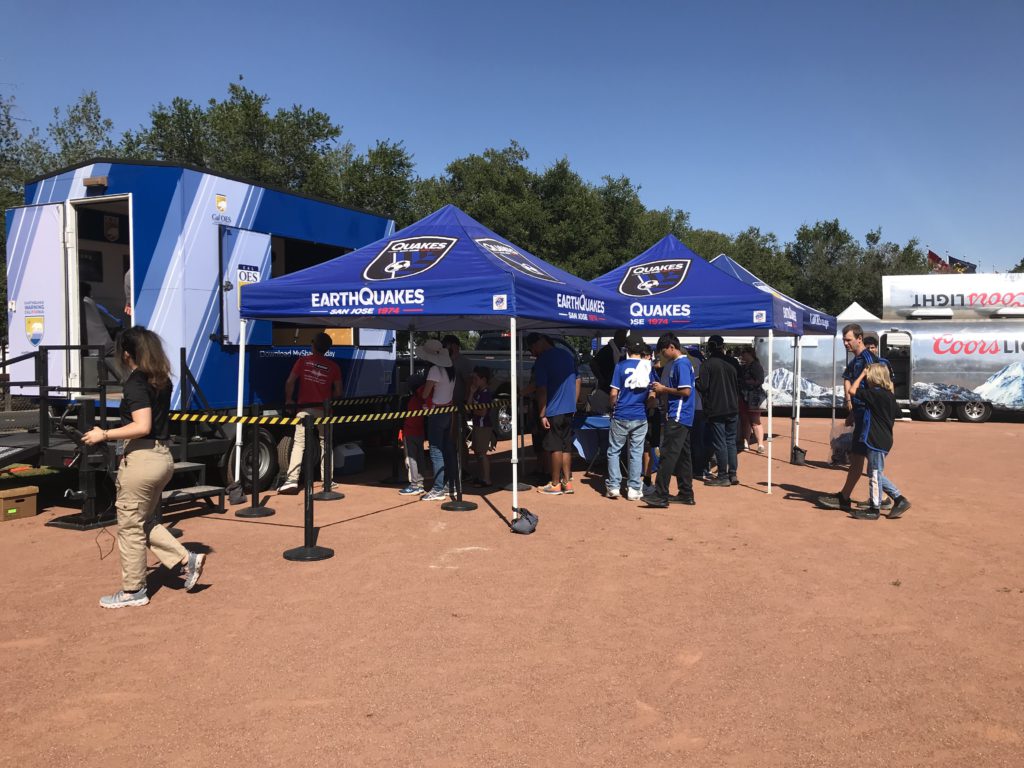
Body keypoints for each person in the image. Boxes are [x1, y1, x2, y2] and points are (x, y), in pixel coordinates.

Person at [82, 326, 206, 608]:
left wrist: (104, 434)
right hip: (162, 457)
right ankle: (187, 559)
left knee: (129, 526)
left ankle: (133, 590)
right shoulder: (162, 379)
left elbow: (142, 426)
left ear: (126, 354)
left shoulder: (136, 383)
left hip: (142, 459)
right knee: (144, 521)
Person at [819, 324, 877, 511]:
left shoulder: (869, 359)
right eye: (844, 340)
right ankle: (846, 496)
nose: (845, 343)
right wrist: (851, 407)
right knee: (859, 457)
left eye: (848, 340)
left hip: (868, 416)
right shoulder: (856, 359)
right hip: (860, 414)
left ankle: (893, 495)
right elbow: (847, 377)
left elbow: (875, 388)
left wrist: (859, 407)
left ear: (859, 338)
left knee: (869, 460)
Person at [278, 332, 343, 495]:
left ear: (313, 345)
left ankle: (292, 481)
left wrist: (289, 400)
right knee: (325, 443)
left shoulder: (302, 362)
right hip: (324, 410)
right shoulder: (334, 367)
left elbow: (290, 382)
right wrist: (327, 398)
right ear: (328, 349)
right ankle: (327, 479)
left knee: (299, 443)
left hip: (304, 409)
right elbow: (339, 392)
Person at [847, 363, 912, 520]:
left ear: (873, 377)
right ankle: (899, 499)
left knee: (875, 473)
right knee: (874, 472)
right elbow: (898, 413)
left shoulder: (875, 393)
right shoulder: (888, 395)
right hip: (885, 438)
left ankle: (874, 508)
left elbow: (852, 390)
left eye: (869, 376)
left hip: (875, 439)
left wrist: (862, 374)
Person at [643, 333, 696, 508]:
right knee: (683, 456)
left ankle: (660, 494)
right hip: (681, 416)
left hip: (678, 415)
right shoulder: (678, 364)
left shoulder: (681, 364)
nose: (662, 356)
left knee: (667, 455)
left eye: (663, 351)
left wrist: (663, 389)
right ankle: (686, 493)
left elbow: (685, 391)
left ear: (672, 347)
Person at [528, 333, 579, 495]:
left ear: (539, 343)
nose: (532, 352)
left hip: (553, 409)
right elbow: (578, 380)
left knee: (555, 447)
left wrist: (542, 413)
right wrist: (573, 403)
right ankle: (567, 482)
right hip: (568, 409)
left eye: (532, 348)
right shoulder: (567, 355)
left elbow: (541, 389)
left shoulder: (543, 360)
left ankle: (555, 483)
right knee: (566, 447)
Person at [605, 334, 655, 500]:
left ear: (626, 348)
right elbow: (652, 394)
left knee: (614, 451)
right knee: (636, 451)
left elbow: (614, 393)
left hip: (621, 413)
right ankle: (634, 488)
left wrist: (612, 407)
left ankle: (613, 486)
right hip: (640, 414)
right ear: (642, 349)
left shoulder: (620, 366)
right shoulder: (649, 367)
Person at [697, 335, 740, 486]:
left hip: (716, 408)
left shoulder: (707, 364)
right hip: (733, 407)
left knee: (720, 442)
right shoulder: (733, 362)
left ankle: (722, 476)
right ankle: (732, 474)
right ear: (723, 346)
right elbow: (739, 383)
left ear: (709, 347)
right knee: (731, 442)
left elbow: (703, 386)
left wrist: (695, 381)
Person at [418, 338, 456, 502]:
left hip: (436, 413)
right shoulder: (450, 370)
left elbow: (425, 394)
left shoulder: (434, 369)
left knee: (436, 450)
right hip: (447, 411)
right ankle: (449, 485)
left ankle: (438, 488)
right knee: (447, 449)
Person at [399, 373, 429, 496]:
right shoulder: (422, 397)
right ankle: (420, 482)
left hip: (410, 431)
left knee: (411, 458)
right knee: (420, 456)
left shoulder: (410, 400)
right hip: (419, 431)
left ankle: (414, 484)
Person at [467, 367, 495, 488]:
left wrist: (473, 411)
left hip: (484, 426)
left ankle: (487, 479)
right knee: (478, 452)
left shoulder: (486, 393)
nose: (473, 381)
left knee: (482, 453)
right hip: (477, 424)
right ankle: (481, 476)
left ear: (483, 380)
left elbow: (483, 412)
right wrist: (471, 392)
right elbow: (469, 406)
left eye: (476, 379)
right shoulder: (477, 393)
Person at [737, 346, 766, 453]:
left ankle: (760, 444)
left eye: (743, 353)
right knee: (744, 420)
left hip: (753, 397)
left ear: (750, 353)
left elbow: (760, 380)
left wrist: (746, 382)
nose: (742, 355)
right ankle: (746, 443)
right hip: (743, 396)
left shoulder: (756, 366)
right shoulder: (744, 366)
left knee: (755, 421)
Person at [592, 329, 628, 397]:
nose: (625, 340)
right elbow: (593, 363)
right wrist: (601, 379)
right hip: (606, 388)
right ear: (618, 338)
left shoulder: (622, 352)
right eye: (624, 338)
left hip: (617, 386)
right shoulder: (607, 350)